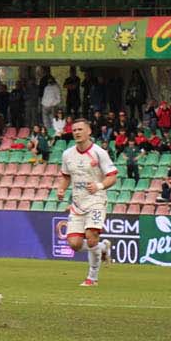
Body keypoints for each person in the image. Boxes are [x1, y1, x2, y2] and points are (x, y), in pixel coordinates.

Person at [54, 119, 118, 287]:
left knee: (91, 238)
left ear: (89, 131)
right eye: (74, 130)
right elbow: (66, 176)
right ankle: (102, 248)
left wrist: (99, 186)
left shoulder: (99, 152)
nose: (77, 132)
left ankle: (92, 278)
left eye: (80, 129)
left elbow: (112, 176)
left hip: (96, 200)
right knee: (74, 244)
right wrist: (61, 189)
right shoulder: (67, 154)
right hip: (77, 203)